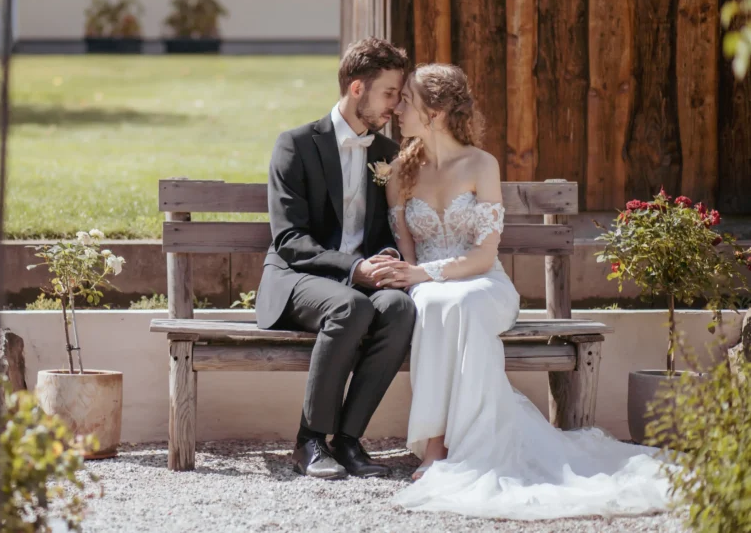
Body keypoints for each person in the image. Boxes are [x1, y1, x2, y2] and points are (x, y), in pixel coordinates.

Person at [368, 63, 674, 518]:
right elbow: (407, 252)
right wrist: (414, 275)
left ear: (433, 113)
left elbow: (484, 257)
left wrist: (425, 275)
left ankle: (461, 447)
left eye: (408, 101)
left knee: (463, 301)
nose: (399, 110)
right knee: (436, 303)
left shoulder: (481, 164)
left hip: (484, 285)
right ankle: (436, 447)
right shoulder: (399, 171)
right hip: (430, 289)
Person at [255, 37, 416, 480]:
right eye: (389, 93)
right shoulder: (296, 145)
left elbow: (386, 230)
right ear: (358, 88)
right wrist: (354, 268)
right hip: (297, 278)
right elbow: (289, 239)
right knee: (350, 305)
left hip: (360, 281)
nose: (395, 105)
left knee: (400, 308)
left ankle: (347, 440)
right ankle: (309, 440)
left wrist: (384, 260)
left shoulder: (386, 154)